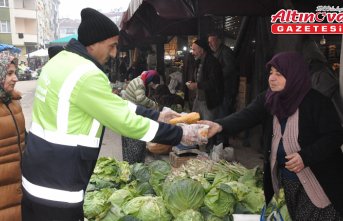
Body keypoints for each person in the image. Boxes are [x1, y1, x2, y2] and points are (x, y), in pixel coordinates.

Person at [21, 8, 207, 221]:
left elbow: (111, 105)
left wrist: (157, 115)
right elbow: (124, 121)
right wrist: (178, 134)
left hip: (37, 170)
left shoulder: (60, 62)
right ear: (92, 43)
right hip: (60, 181)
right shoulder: (86, 74)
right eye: (111, 46)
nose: (113, 53)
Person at [200, 52, 343, 220]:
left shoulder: (316, 102)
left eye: (279, 74)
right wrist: (219, 125)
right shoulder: (269, 99)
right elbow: (247, 115)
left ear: (294, 75)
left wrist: (305, 156)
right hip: (289, 181)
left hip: (319, 180)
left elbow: (334, 136)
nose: (272, 78)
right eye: (271, 73)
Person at [0, 56, 26, 221]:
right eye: (9, 73)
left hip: (18, 188)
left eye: (14, 73)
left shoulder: (14, 103)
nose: (15, 78)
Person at [187, 38, 224, 151]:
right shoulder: (198, 61)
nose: (192, 52)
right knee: (195, 123)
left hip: (209, 101)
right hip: (199, 99)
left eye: (194, 50)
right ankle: (198, 146)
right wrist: (192, 83)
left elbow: (213, 83)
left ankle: (209, 150)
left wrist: (196, 85)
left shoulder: (213, 62)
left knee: (208, 127)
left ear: (201, 50)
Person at [121, 70, 160, 163]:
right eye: (153, 84)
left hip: (128, 115)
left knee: (129, 145)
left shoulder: (140, 78)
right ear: (150, 80)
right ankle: (134, 166)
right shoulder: (140, 84)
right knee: (135, 144)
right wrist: (153, 104)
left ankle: (130, 166)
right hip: (131, 117)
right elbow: (140, 98)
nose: (152, 86)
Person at [208, 33, 239, 146]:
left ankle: (223, 143)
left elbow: (230, 68)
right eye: (209, 41)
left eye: (212, 41)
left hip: (227, 91)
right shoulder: (216, 52)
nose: (210, 44)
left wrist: (217, 76)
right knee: (218, 116)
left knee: (223, 116)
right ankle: (219, 142)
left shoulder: (225, 52)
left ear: (219, 41)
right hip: (220, 91)